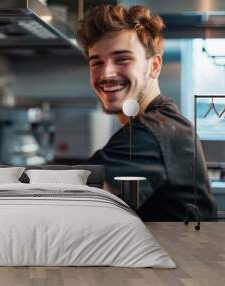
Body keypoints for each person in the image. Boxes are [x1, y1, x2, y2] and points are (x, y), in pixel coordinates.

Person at [76, 4, 217, 221]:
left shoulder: (152, 133)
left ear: (154, 66)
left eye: (122, 58)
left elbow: (70, 192)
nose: (107, 73)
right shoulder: (165, 122)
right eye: (97, 62)